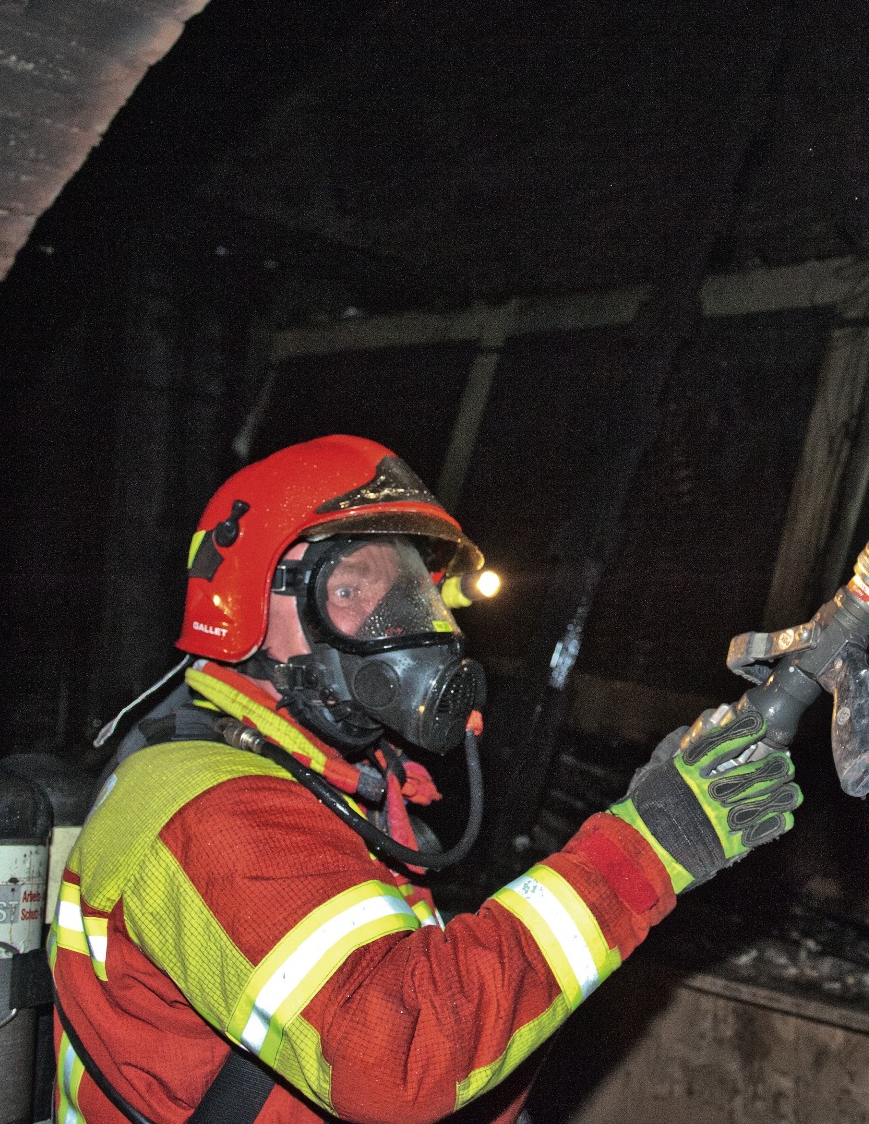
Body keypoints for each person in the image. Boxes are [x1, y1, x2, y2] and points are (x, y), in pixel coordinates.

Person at [50, 435, 800, 1123]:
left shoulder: (344, 788)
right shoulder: (211, 805)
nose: (410, 624)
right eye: (352, 591)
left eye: (411, 590)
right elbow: (396, 1057)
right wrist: (644, 849)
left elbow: (451, 1022)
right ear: (246, 605)